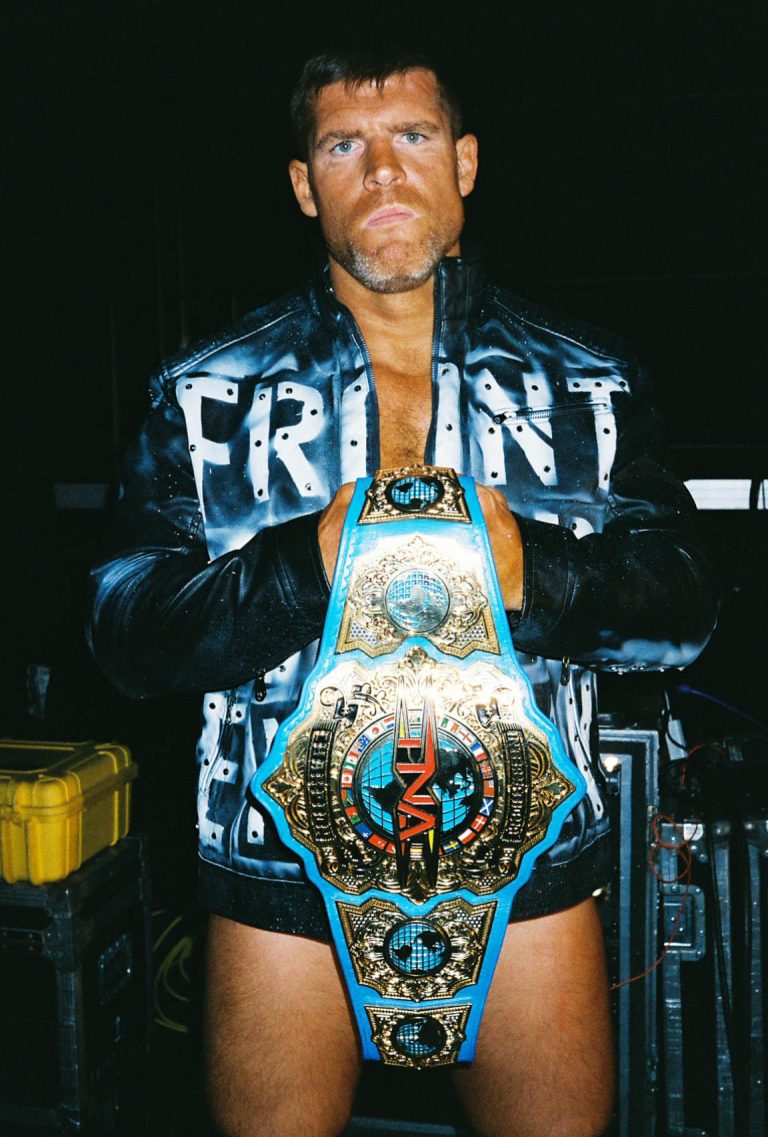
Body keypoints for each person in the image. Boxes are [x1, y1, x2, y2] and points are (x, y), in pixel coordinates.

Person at [88, 47, 718, 1137]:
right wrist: (303, 566)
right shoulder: (203, 393)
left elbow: (687, 610)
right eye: (345, 145)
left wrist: (538, 574)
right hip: (278, 873)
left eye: (413, 136)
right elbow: (124, 636)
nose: (382, 170)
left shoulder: (587, 382)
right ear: (305, 185)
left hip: (529, 868)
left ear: (465, 161)